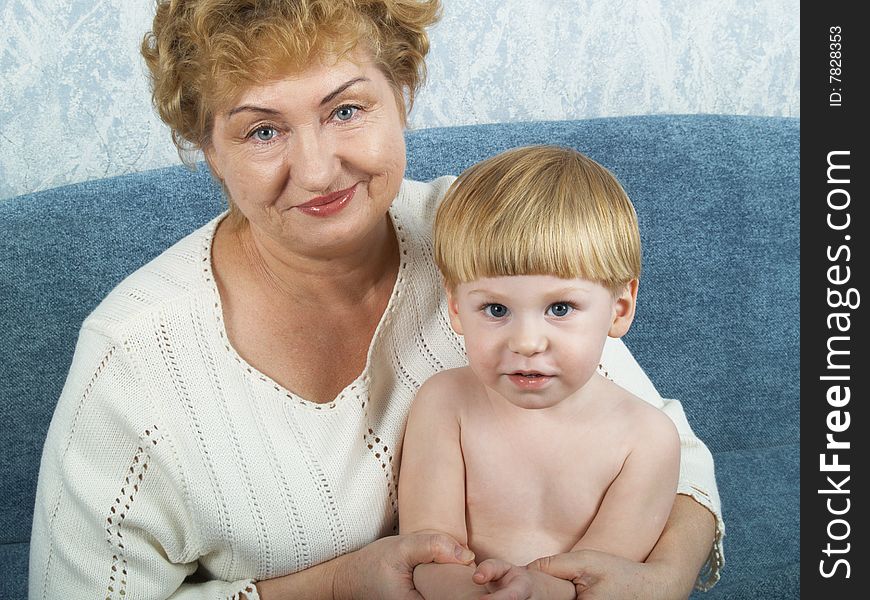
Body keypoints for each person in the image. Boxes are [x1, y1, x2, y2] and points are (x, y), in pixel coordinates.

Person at [28, 1, 723, 598]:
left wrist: (663, 575)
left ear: (402, 93)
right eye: (262, 130)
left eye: (347, 109)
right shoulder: (134, 361)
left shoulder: (482, 241)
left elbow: (668, 451)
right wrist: (330, 587)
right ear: (209, 148)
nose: (319, 169)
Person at [399, 145, 681, 599]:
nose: (527, 342)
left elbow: (602, 577)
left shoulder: (646, 439)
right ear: (456, 309)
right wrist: (470, 592)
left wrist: (535, 590)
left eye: (560, 307)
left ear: (620, 308)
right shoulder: (444, 403)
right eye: (495, 309)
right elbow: (429, 548)